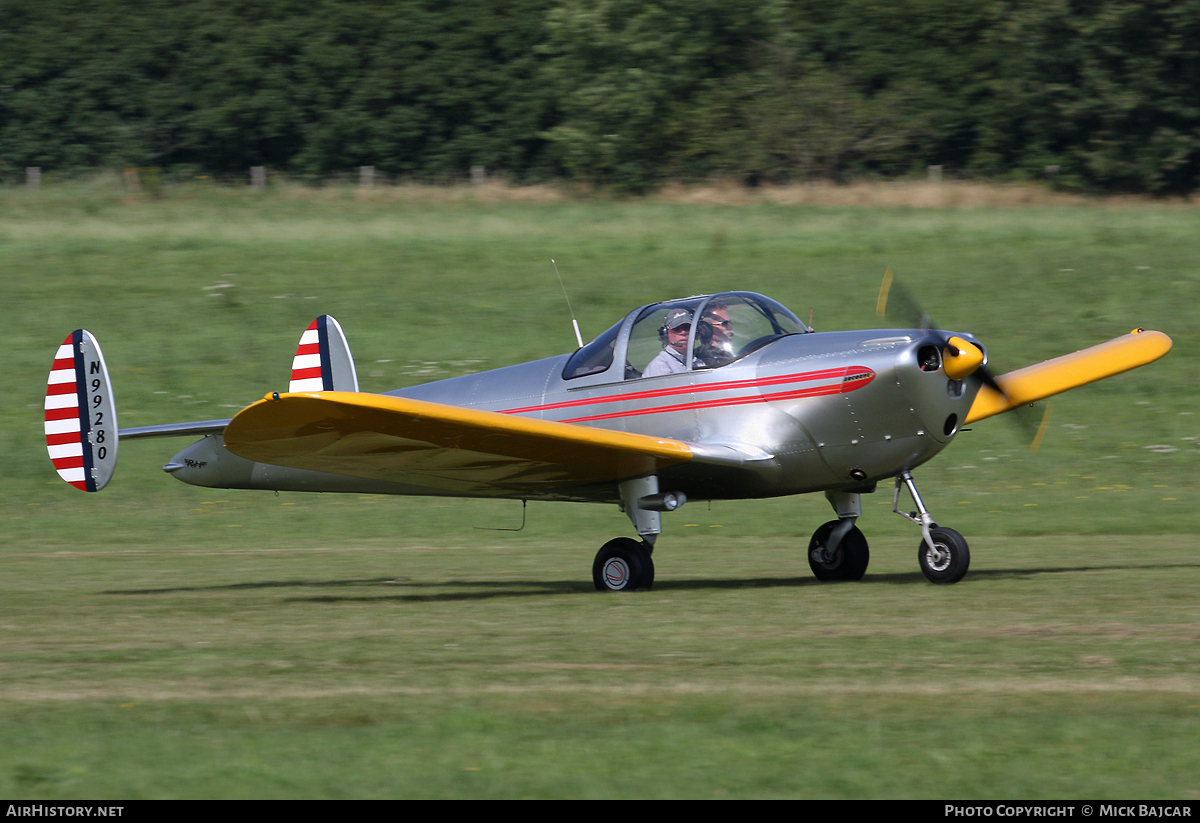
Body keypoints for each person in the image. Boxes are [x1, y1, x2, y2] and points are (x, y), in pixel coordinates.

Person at [643, 308, 703, 377]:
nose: (683, 332)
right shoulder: (660, 366)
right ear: (665, 333)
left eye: (687, 327)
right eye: (676, 329)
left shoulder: (697, 362)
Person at [696, 300, 735, 368]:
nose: (730, 328)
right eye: (724, 324)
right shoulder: (708, 360)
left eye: (729, 323)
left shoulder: (723, 353)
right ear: (706, 328)